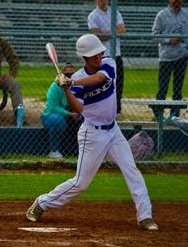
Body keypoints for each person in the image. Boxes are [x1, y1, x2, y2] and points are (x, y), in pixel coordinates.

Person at [26, 34, 158, 231]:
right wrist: (66, 89)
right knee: (81, 183)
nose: (98, 58)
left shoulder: (108, 64)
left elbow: (99, 78)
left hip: (113, 130)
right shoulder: (77, 78)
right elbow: (78, 108)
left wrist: (71, 83)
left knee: (132, 170)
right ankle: (42, 203)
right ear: (83, 58)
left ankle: (145, 216)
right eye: (92, 56)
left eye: (98, 53)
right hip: (92, 134)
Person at [88, 0, 125, 116]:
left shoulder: (114, 12)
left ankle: (116, 110)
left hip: (116, 53)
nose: (103, 0)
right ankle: (102, 109)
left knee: (118, 83)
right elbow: (97, 35)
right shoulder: (93, 15)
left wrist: (105, 32)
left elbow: (121, 29)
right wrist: (112, 32)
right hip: (102, 55)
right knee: (102, 84)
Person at [152, 0, 188, 120]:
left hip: (181, 57)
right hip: (166, 57)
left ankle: (174, 116)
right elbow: (154, 36)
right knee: (163, 88)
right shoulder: (161, 15)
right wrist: (168, 39)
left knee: (178, 89)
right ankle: (159, 115)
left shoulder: (186, 15)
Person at [40, 63, 81, 159]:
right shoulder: (55, 87)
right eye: (67, 75)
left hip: (69, 113)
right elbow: (54, 107)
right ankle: (54, 150)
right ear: (62, 74)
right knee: (58, 120)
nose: (70, 77)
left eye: (72, 75)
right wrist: (70, 114)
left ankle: (81, 150)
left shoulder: (76, 86)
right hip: (50, 115)